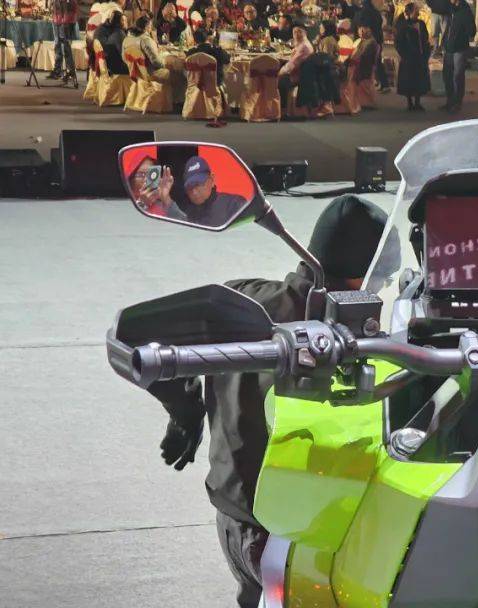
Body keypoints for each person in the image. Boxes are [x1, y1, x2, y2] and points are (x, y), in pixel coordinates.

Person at [146, 195, 393, 608]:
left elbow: (151, 339)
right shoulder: (353, 339)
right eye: (383, 274)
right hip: (290, 531)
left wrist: (185, 412)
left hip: (231, 516)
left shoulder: (241, 300)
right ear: (362, 276)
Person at [127, 155, 187, 221]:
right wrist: (142, 204)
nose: (146, 179)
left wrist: (166, 199)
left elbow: (183, 223)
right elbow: (128, 223)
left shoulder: (162, 206)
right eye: (141, 174)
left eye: (150, 174)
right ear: (131, 179)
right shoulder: (123, 203)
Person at [395, 2, 431, 111]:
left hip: (420, 57)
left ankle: (418, 103)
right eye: (416, 11)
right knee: (409, 80)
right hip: (408, 58)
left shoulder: (421, 24)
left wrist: (426, 53)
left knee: (419, 80)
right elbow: (398, 42)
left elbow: (425, 39)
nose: (418, 13)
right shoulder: (403, 25)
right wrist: (404, 54)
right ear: (410, 12)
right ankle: (410, 103)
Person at [440, 0, 474, 113]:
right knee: (447, 75)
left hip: (459, 48)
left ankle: (457, 102)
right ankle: (450, 100)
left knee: (458, 75)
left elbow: (472, 31)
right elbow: (447, 27)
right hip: (449, 47)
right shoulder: (450, 8)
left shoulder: (465, 10)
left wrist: (464, 32)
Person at [278, 25, 314, 109]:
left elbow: (291, 65)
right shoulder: (302, 44)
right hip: (299, 73)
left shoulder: (303, 46)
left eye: (299, 32)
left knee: (273, 80)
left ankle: (282, 109)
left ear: (305, 33)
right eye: (294, 32)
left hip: (297, 76)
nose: (297, 34)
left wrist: (279, 73)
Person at [355, 0, 389, 91]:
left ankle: (383, 84)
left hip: (370, 40)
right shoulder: (376, 12)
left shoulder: (364, 13)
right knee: (377, 61)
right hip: (378, 39)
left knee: (373, 62)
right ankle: (381, 82)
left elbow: (362, 25)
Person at [129, 16, 173, 84]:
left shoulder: (132, 37)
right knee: (175, 73)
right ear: (146, 27)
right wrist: (166, 64)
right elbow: (155, 61)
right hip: (149, 73)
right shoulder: (145, 39)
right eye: (150, 25)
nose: (151, 28)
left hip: (137, 71)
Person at [47, 0, 78, 81]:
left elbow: (72, 6)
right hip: (56, 20)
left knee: (66, 46)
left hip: (66, 21)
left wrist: (67, 20)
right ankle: (57, 71)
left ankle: (70, 71)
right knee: (57, 45)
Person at [96, 9, 129, 76]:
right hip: (115, 67)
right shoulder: (119, 33)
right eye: (123, 20)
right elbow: (124, 54)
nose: (125, 23)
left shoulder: (112, 32)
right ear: (119, 21)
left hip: (107, 63)